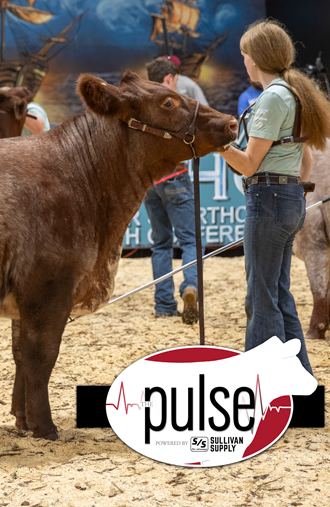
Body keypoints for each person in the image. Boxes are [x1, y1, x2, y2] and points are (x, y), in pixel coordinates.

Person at [218, 19, 330, 375]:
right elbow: (307, 158)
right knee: (278, 292)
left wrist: (217, 145)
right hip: (288, 198)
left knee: (261, 296)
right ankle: (299, 379)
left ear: (254, 57)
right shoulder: (293, 93)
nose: (244, 62)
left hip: (267, 198)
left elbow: (250, 164)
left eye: (244, 55)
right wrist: (293, 194)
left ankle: (262, 386)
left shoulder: (271, 98)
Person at [142, 57, 200, 324]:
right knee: (189, 240)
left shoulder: (142, 106)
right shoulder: (173, 104)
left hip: (150, 182)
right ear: (168, 78)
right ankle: (190, 286)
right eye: (176, 79)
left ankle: (163, 304)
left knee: (160, 243)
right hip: (176, 176)